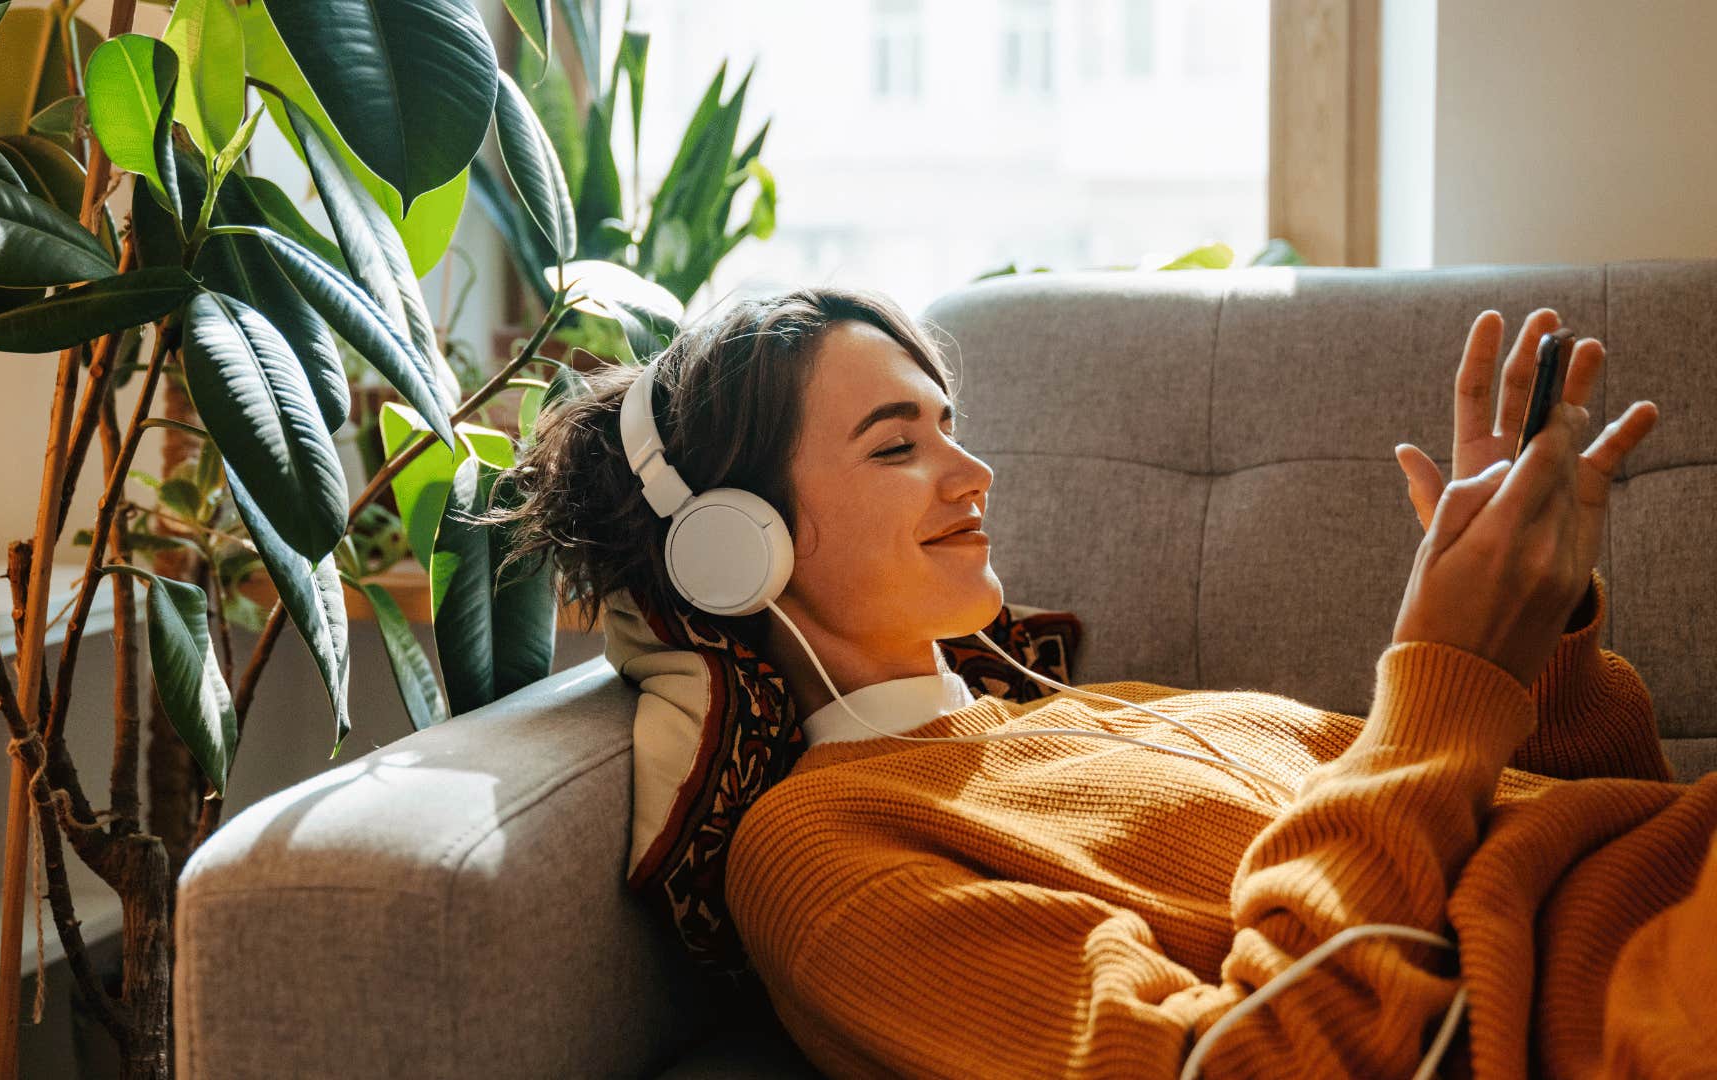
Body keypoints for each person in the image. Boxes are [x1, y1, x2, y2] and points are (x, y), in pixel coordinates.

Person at [484, 286, 1717, 1077]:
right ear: (739, 544)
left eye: (951, 424)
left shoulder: (1094, 710)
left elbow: (1585, 832)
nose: (972, 473)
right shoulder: (824, 851)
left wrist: (1538, 633)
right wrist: (1446, 679)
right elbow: (1237, 1064)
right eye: (897, 445)